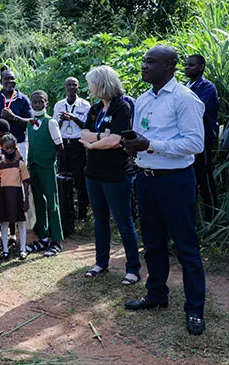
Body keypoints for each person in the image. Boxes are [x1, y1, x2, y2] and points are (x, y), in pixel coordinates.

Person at [121, 45, 207, 337]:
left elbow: (196, 144)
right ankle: (156, 294)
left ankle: (195, 308)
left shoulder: (184, 99)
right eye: (144, 61)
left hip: (175, 181)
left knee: (186, 247)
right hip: (146, 180)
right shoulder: (143, 99)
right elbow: (141, 135)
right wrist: (132, 147)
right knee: (154, 243)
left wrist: (151, 145)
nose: (144, 66)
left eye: (151, 62)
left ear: (170, 65)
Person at [77, 66, 141, 285]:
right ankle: (100, 262)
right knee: (100, 219)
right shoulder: (95, 108)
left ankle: (133, 268)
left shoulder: (122, 107)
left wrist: (93, 144)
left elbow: (116, 140)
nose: (89, 87)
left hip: (116, 173)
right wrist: (101, 137)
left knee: (123, 221)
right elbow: (83, 134)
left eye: (91, 83)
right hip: (93, 172)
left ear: (101, 84)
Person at [27, 90, 64, 257]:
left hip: (47, 166)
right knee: (38, 202)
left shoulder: (51, 122)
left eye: (40, 102)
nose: (37, 104)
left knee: (52, 202)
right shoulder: (30, 122)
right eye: (34, 102)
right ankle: (43, 236)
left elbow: (60, 147)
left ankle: (56, 240)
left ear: (46, 103)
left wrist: (52, 162)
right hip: (34, 166)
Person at [184, 54, 220, 223]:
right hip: (188, 141)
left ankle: (211, 219)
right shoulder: (185, 86)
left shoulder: (207, 87)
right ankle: (194, 220)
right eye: (185, 65)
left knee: (205, 179)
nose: (187, 68)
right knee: (190, 182)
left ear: (201, 67)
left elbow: (197, 110)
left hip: (203, 140)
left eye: (191, 65)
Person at [53, 77, 91, 219]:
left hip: (78, 143)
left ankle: (82, 213)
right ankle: (66, 213)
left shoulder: (84, 105)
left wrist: (74, 118)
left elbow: (87, 126)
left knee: (80, 178)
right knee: (63, 178)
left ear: (78, 87)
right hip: (63, 144)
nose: (71, 87)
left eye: (74, 84)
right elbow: (55, 126)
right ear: (65, 87)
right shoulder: (59, 105)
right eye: (68, 84)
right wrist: (63, 119)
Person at [0, 135, 30, 260]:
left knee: (21, 221)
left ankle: (23, 249)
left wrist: (26, 199)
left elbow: (25, 182)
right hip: (4, 196)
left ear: (15, 148)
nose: (9, 150)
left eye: (12, 148)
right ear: (2, 149)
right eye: (6, 148)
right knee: (4, 222)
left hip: (17, 195)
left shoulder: (20, 164)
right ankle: (5, 250)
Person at [0, 69, 33, 158]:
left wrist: (14, 117)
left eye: (12, 79)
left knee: (18, 170)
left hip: (18, 143)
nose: (10, 81)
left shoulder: (23, 99)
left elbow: (32, 122)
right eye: (6, 79)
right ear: (0, 81)